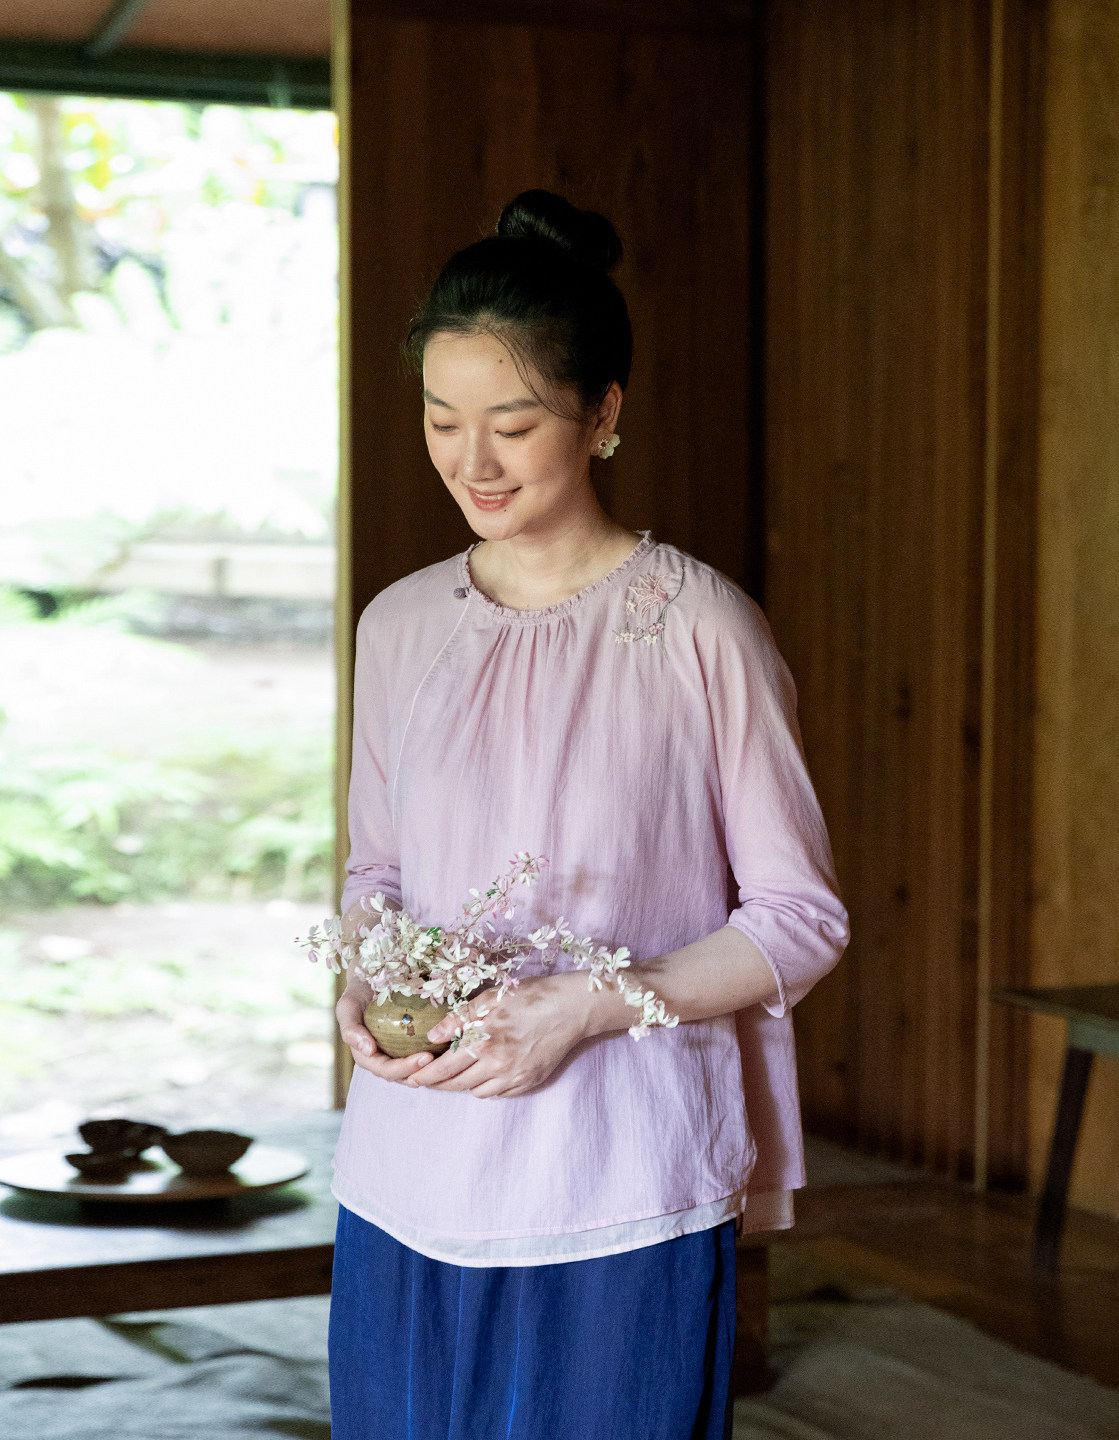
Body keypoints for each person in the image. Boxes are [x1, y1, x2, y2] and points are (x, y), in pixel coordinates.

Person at [326, 189, 849, 1440]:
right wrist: (359, 985)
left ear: (603, 415)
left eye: (514, 424)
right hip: (411, 1170)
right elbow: (377, 870)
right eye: (443, 421)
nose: (473, 461)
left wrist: (590, 1006)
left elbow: (800, 919)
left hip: (619, 1177)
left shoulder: (701, 627)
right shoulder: (400, 626)